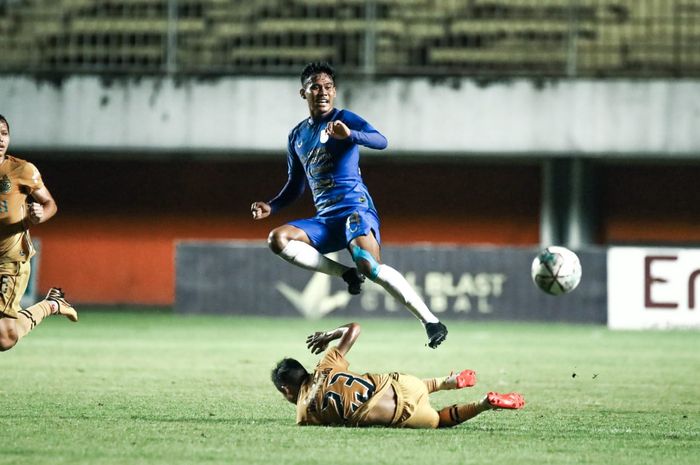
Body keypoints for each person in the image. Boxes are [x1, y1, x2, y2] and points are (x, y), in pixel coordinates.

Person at [250, 61, 448, 348]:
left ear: (335, 91)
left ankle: (431, 321)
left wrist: (350, 135)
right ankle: (346, 274)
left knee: (369, 265)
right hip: (326, 219)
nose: (323, 92)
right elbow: (296, 184)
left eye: (328, 87)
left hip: (355, 209)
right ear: (302, 93)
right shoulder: (296, 136)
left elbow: (381, 141)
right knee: (277, 239)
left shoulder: (344, 118)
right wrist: (272, 206)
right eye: (315, 87)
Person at [271, 322, 525, 428]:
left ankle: (482, 404)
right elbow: (354, 328)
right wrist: (327, 336)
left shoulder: (302, 414)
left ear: (286, 390)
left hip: (400, 414)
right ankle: (447, 381)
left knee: (437, 420)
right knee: (403, 383)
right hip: (401, 382)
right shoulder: (324, 364)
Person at [0, 114, 77, 352]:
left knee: (2, 338)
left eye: (4, 133)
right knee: (5, 338)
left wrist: (40, 215)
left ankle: (50, 305)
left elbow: (49, 204)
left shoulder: (21, 170)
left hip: (9, 262)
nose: (0, 139)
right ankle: (53, 304)